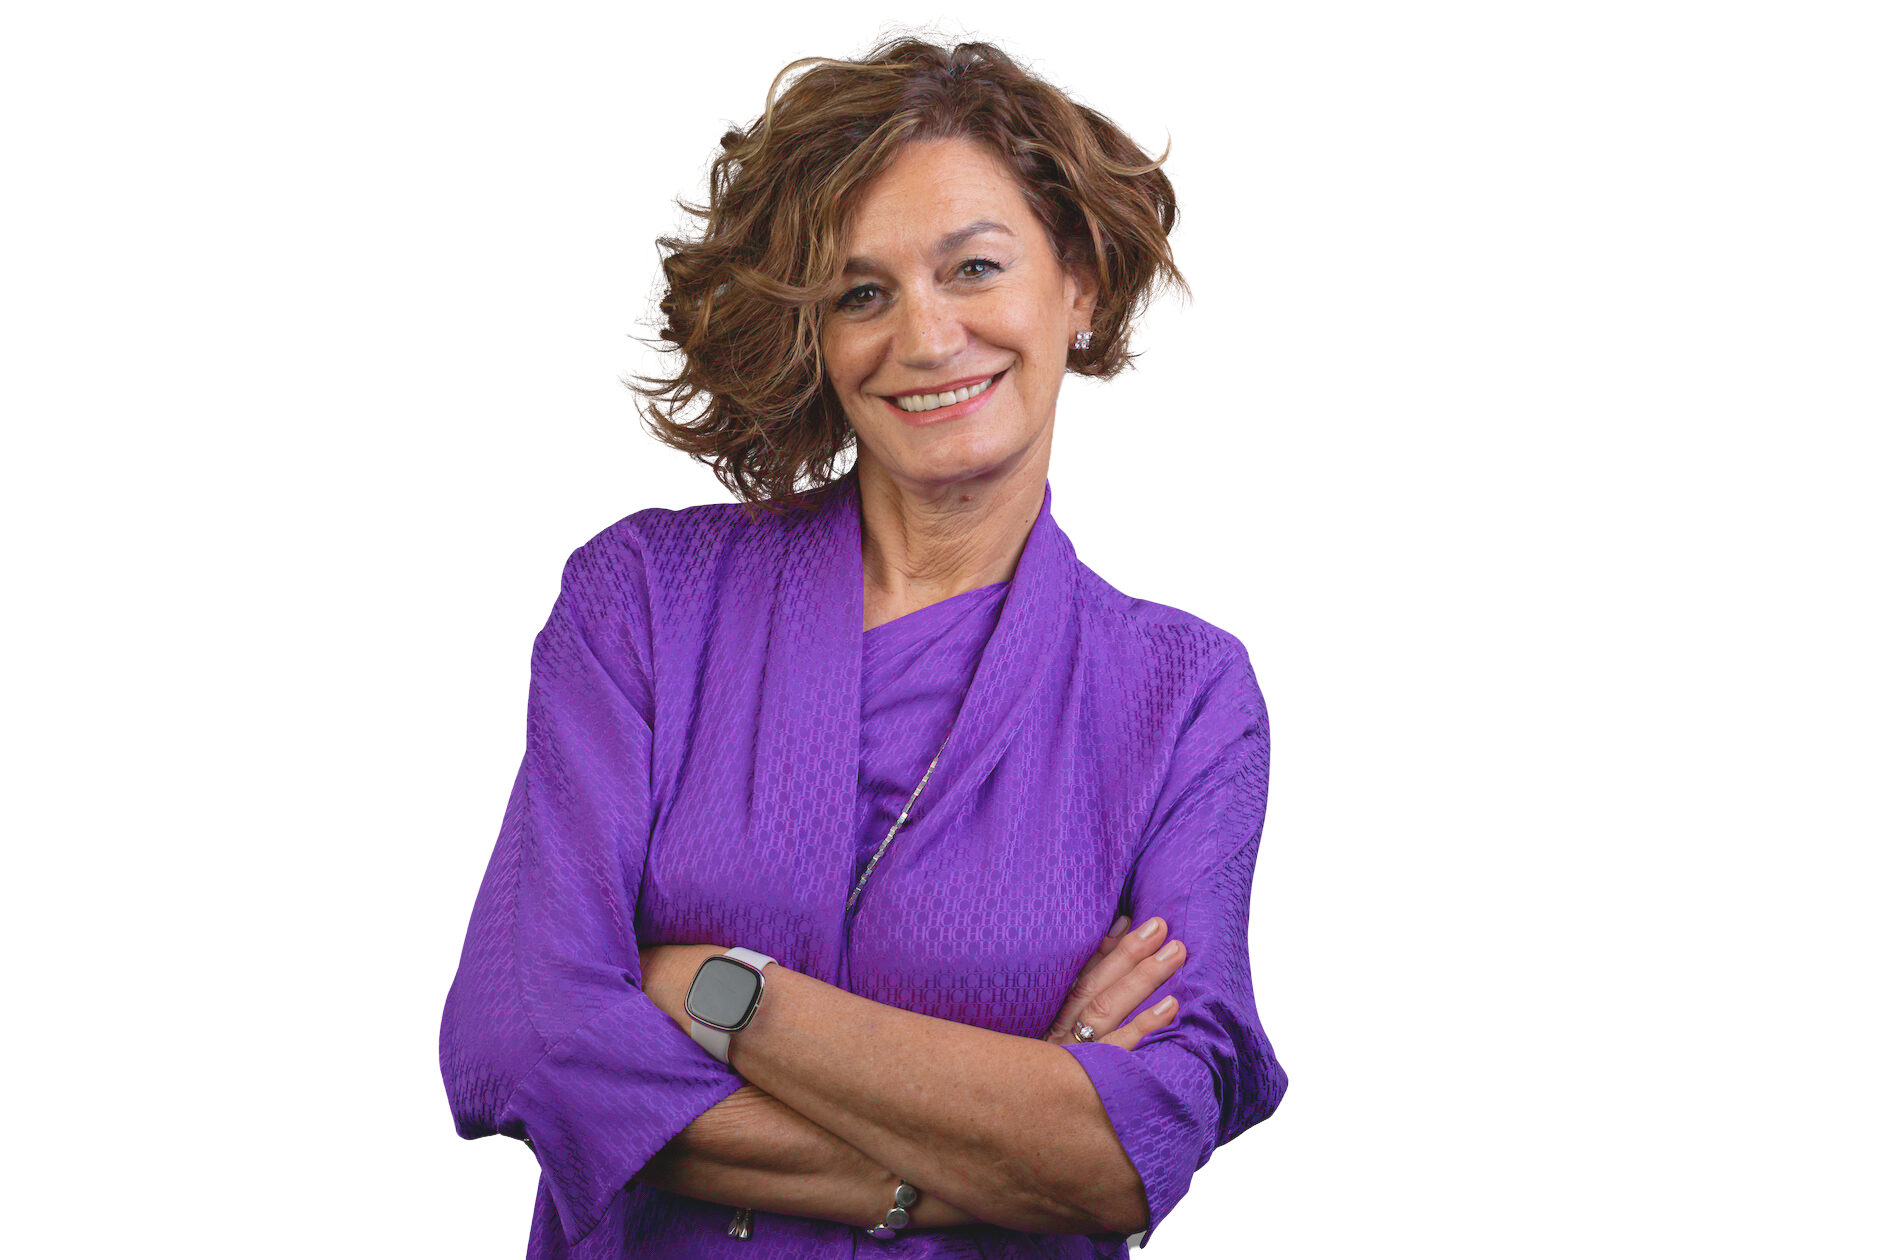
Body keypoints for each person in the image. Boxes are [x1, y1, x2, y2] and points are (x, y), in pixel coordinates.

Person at [439, 18, 1286, 1257]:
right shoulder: (644, 601)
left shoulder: (1185, 694)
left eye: (974, 268)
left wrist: (725, 998)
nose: (926, 339)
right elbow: (524, 1042)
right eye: (862, 293)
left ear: (1081, 287)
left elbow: (1140, 1142)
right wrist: (1000, 1146)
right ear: (819, 337)